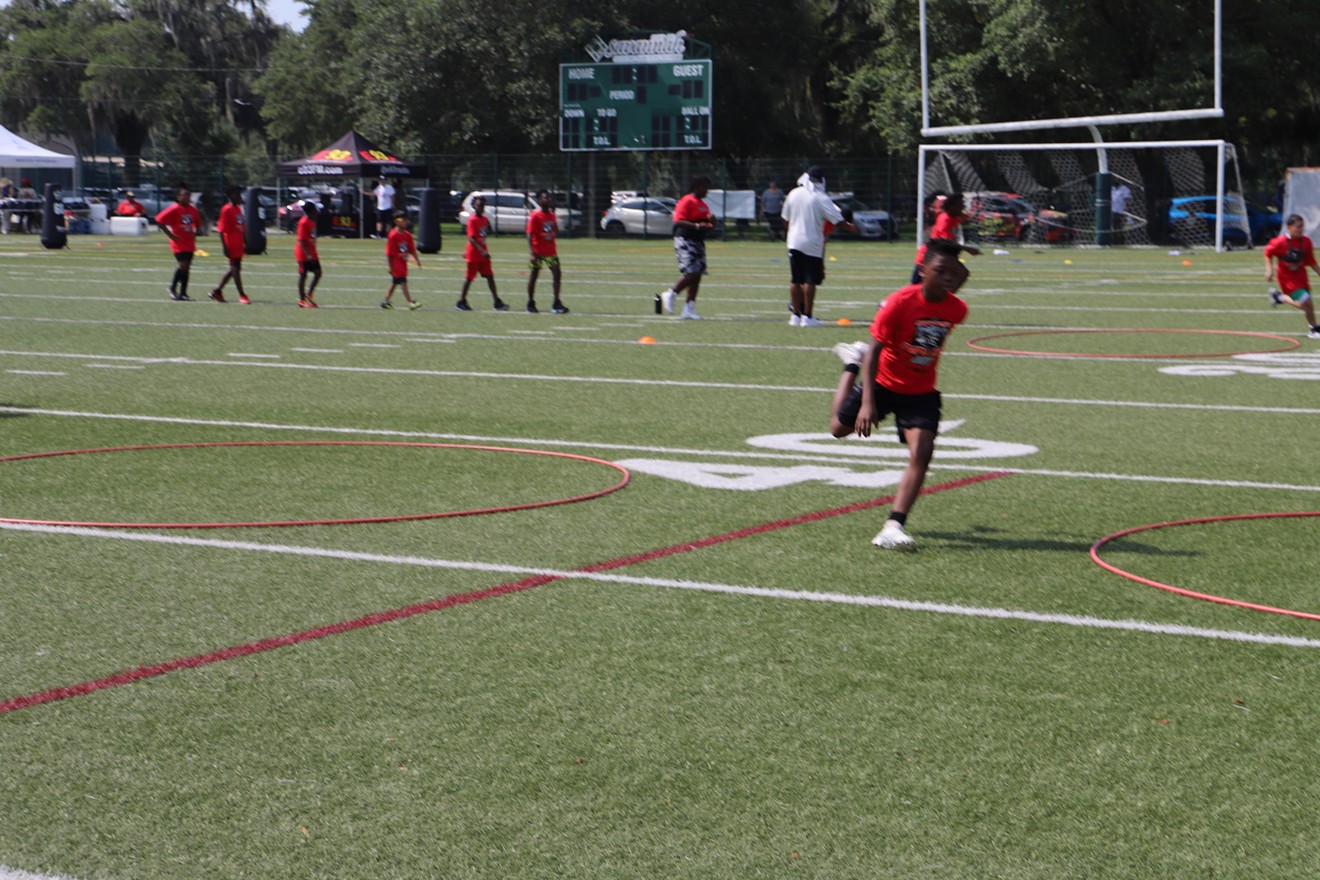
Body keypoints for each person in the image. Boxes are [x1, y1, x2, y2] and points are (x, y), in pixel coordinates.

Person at [829, 237, 971, 551]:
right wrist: (867, 402)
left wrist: (959, 254)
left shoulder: (956, 308)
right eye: (941, 269)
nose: (949, 276)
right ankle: (851, 363)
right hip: (882, 383)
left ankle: (894, 525)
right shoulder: (899, 303)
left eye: (954, 271)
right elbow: (877, 350)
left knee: (922, 451)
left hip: (920, 391)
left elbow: (961, 275)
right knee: (838, 429)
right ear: (922, 271)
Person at [780, 166, 856, 327]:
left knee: (795, 280)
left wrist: (791, 233)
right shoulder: (820, 197)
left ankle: (795, 316)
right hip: (812, 243)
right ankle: (807, 317)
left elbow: (785, 219)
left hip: (793, 241)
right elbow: (838, 220)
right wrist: (850, 227)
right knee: (809, 280)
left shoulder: (793, 193)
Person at [657, 175, 715, 319]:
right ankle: (671, 293)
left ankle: (689, 309)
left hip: (698, 241)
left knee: (697, 276)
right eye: (705, 187)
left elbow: (708, 226)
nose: (707, 191)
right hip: (685, 239)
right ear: (697, 187)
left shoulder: (703, 204)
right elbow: (678, 221)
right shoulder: (687, 200)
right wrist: (696, 225)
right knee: (692, 272)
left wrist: (712, 222)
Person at [1264, 214, 1320, 339]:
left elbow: (1311, 261)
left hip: (1301, 277)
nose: (1301, 230)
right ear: (1289, 227)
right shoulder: (1280, 242)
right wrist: (1269, 269)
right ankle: (1314, 329)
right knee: (1308, 303)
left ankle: (1279, 297)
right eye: (1298, 227)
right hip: (1287, 279)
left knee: (1305, 305)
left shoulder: (1306, 242)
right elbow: (1267, 252)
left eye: (1302, 227)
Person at [912, 192, 979, 283]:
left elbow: (960, 219)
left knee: (959, 275)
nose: (963, 207)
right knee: (916, 286)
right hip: (927, 258)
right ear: (952, 206)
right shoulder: (944, 220)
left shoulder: (951, 217)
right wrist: (967, 249)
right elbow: (946, 242)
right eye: (960, 205)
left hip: (940, 258)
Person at [457, 194, 508, 311]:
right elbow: (471, 238)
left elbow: (486, 231)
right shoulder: (472, 220)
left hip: (483, 255)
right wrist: (482, 251)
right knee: (469, 278)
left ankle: (496, 302)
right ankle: (461, 301)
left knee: (490, 276)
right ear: (474, 206)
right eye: (479, 205)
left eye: (483, 205)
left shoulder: (484, 219)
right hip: (474, 254)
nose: (481, 207)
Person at [154, 184, 202, 301]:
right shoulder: (174, 208)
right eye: (184, 195)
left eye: (188, 195)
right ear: (178, 197)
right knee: (183, 265)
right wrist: (171, 235)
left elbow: (197, 224)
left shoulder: (193, 209)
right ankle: (172, 288)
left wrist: (196, 232)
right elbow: (159, 220)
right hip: (178, 242)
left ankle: (183, 293)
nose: (187, 197)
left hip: (189, 242)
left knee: (187, 268)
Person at [526, 189, 569, 314]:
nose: (548, 200)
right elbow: (529, 234)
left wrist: (552, 235)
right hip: (538, 252)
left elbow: (554, 228)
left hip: (550, 251)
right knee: (534, 275)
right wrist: (532, 252)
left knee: (557, 274)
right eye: (546, 198)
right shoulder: (535, 215)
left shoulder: (551, 214)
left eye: (549, 198)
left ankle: (556, 302)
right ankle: (531, 302)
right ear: (539, 200)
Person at [209, 185, 250, 304]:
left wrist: (245, 243)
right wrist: (224, 247)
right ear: (231, 195)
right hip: (231, 243)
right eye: (237, 194)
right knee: (235, 269)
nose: (239, 196)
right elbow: (221, 230)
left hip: (238, 243)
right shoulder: (226, 209)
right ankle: (242, 295)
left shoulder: (237, 209)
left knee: (235, 268)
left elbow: (242, 227)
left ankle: (217, 291)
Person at [382, 210, 422, 310]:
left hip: (403, 264)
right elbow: (389, 253)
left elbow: (412, 249)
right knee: (403, 283)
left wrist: (417, 260)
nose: (404, 222)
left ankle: (386, 301)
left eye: (405, 220)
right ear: (396, 221)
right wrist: (390, 267)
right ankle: (410, 302)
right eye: (401, 220)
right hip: (396, 264)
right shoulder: (393, 235)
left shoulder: (407, 235)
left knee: (394, 283)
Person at [295, 200, 322, 308]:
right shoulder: (303, 222)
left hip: (312, 251)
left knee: (318, 272)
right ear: (311, 211)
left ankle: (309, 295)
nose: (317, 211)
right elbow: (301, 240)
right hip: (303, 253)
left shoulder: (312, 221)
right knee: (303, 275)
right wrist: (308, 254)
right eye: (315, 209)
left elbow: (311, 236)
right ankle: (302, 300)